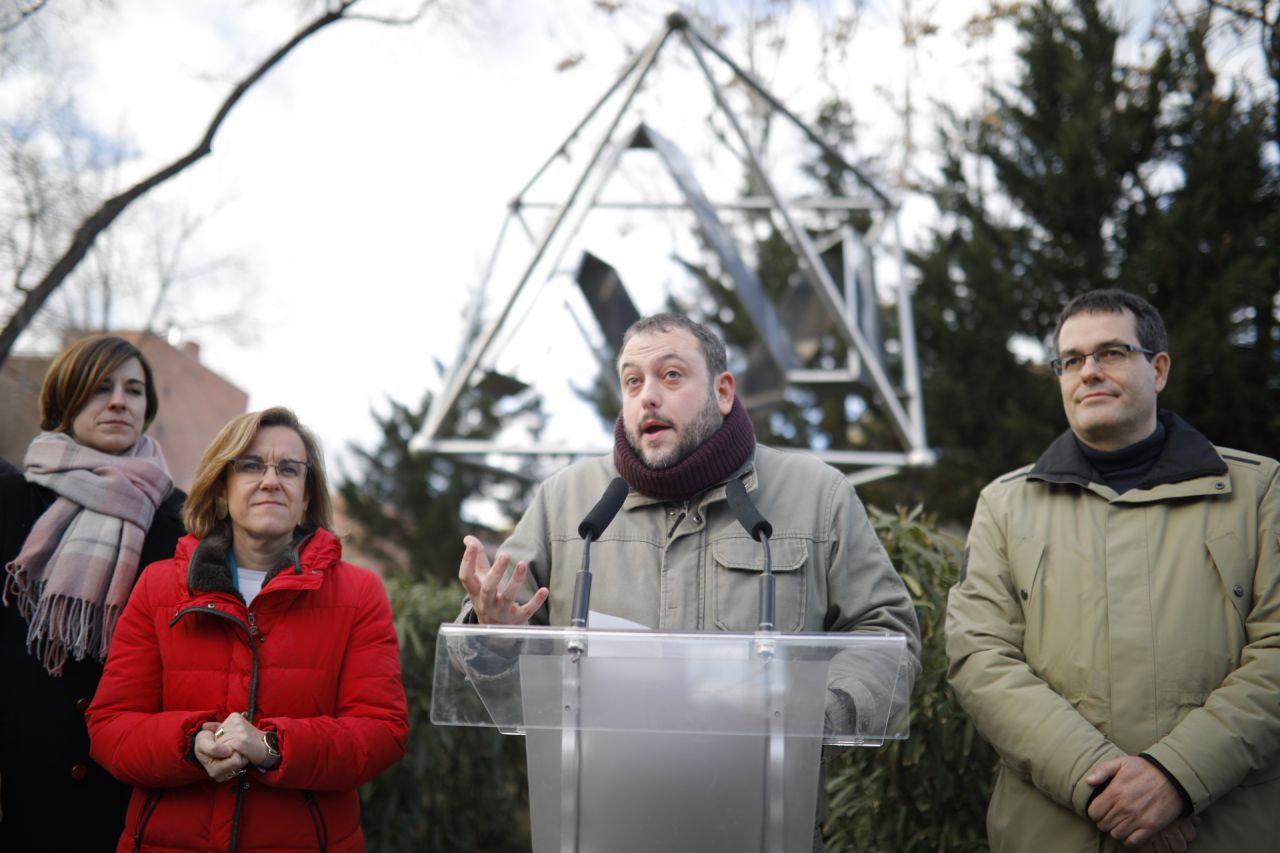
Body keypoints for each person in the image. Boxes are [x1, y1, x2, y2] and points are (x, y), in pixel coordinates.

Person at [946, 289, 1280, 852]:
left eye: (1111, 353)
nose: (1089, 372)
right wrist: (1103, 786)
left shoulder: (1260, 491)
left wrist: (1176, 778)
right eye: (1071, 360)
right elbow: (979, 660)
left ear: (1159, 368)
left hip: (1224, 830)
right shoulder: (1003, 506)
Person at [86, 407, 408, 852]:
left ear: (307, 495)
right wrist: (188, 745)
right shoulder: (160, 587)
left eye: (289, 470)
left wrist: (271, 747)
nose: (271, 481)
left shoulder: (359, 593)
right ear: (222, 488)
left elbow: (381, 731)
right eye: (251, 466)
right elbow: (109, 727)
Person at [1, 334, 184, 852]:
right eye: (101, 388)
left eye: (134, 389)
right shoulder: (12, 498)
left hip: (125, 781)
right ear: (66, 399)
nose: (120, 401)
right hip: (20, 775)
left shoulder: (181, 520)